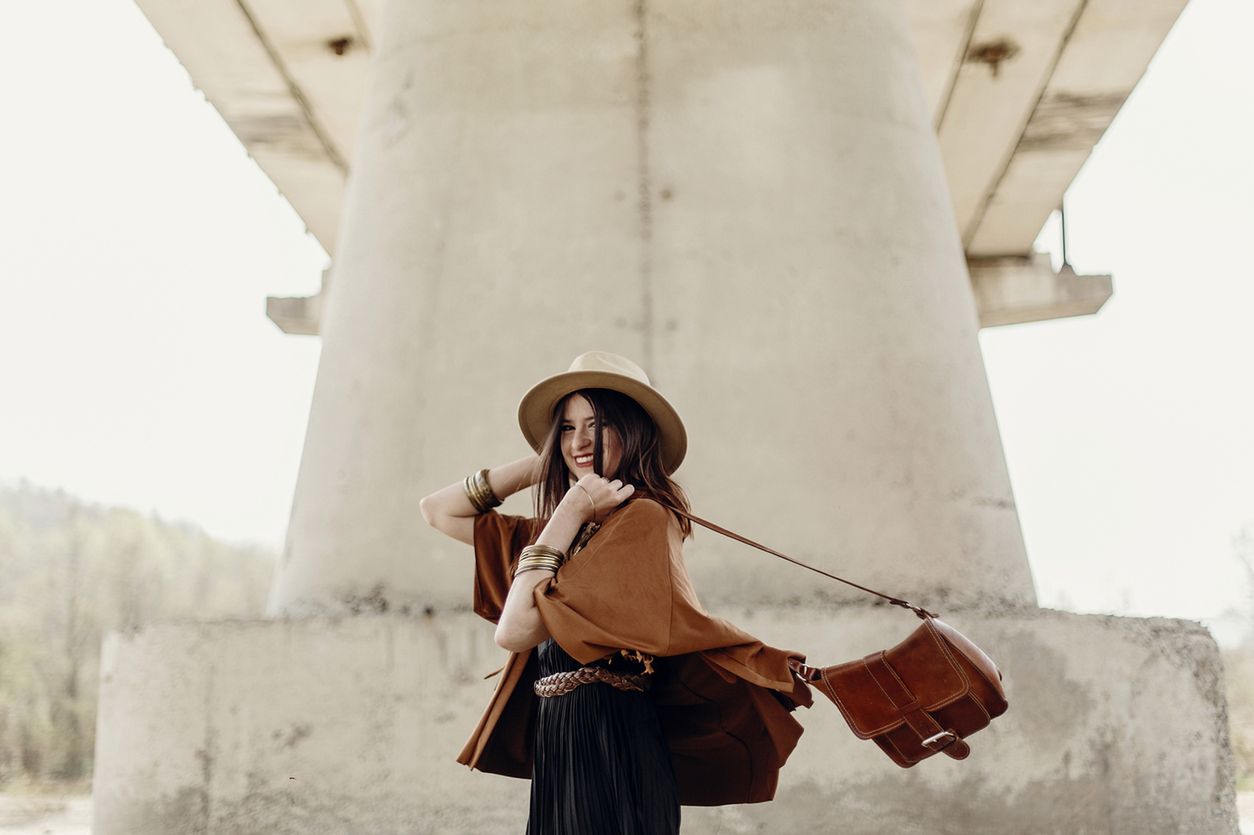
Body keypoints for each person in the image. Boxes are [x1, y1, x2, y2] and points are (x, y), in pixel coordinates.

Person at [419, 351, 812, 834]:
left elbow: (515, 630)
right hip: (561, 740)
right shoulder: (563, 532)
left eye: (597, 424)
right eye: (566, 427)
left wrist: (570, 507)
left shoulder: (641, 519)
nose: (579, 441)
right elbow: (439, 510)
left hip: (611, 738)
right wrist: (550, 463)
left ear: (634, 430)